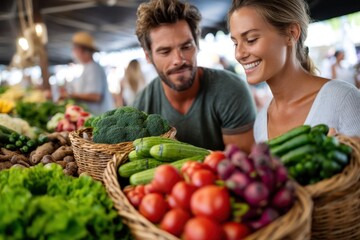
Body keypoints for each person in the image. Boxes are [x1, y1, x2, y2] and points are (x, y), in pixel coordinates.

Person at [228, 0, 360, 142]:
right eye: (235, 43)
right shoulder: (261, 122)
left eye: (251, 40)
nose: (238, 54)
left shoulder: (343, 99)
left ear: (291, 33)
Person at [133, 0, 257, 152]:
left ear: (197, 45)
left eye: (186, 47)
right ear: (148, 56)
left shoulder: (231, 90)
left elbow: (240, 164)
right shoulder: (142, 106)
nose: (179, 60)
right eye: (165, 51)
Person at [62, 32, 115, 115]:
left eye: (74, 48)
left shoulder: (94, 69)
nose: (73, 52)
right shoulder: (87, 68)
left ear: (82, 50)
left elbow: (96, 96)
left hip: (98, 117)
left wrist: (72, 95)